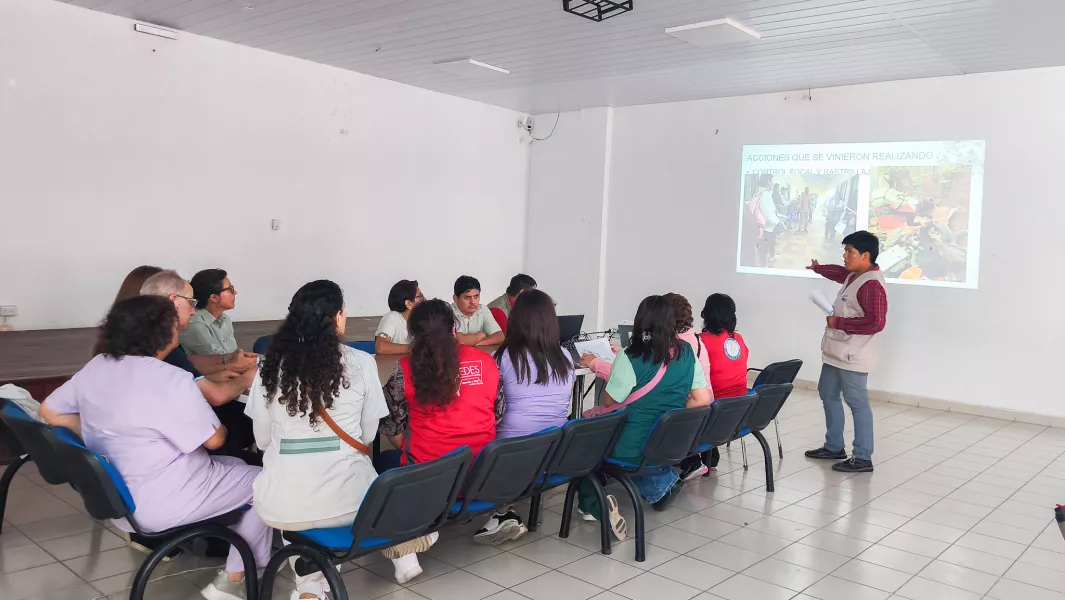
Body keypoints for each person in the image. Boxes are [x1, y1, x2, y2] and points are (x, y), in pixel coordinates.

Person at [39, 297, 271, 600]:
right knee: (269, 483)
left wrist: (108, 434)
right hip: (163, 500)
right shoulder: (169, 378)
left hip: (119, 500)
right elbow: (214, 440)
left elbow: (50, 410)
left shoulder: (97, 366)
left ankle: (240, 547)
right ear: (165, 333)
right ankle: (234, 580)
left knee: (239, 467)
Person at [246, 281, 434, 596]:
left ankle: (312, 584)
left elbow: (262, 441)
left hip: (282, 504)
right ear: (337, 318)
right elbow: (368, 436)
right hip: (352, 500)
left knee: (299, 516)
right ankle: (402, 550)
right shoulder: (361, 363)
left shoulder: (268, 368)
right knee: (362, 485)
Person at [576, 296, 712, 537]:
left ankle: (594, 505)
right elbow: (702, 399)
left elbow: (610, 400)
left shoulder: (631, 356)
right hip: (666, 443)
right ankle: (662, 482)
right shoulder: (687, 353)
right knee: (640, 459)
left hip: (630, 446)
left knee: (582, 443)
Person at [473, 289, 574, 545]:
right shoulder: (564, 357)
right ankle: (504, 512)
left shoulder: (504, 357)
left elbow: (491, 409)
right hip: (555, 452)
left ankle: (503, 511)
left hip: (512, 454)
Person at [140, 271, 258, 463]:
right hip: (189, 457)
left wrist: (222, 368)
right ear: (173, 301)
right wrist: (247, 377)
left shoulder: (147, 347)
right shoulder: (163, 348)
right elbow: (214, 428)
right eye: (191, 302)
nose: (194, 311)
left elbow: (189, 370)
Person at [379, 299, 504, 468]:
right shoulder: (487, 361)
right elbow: (498, 415)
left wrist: (416, 450)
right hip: (480, 470)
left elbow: (392, 427)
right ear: (454, 328)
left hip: (427, 473)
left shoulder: (405, 368)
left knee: (382, 461)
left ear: (413, 334)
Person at [805, 231, 888, 473]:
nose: (845, 256)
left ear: (865, 255)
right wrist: (819, 269)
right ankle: (834, 447)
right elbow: (839, 273)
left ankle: (862, 457)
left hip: (854, 355)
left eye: (849, 252)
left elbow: (876, 322)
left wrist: (839, 323)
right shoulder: (855, 275)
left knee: (857, 402)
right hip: (837, 351)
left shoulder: (871, 284)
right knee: (827, 392)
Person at [678, 294, 751, 479]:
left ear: (706, 314)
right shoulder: (739, 339)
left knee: (680, 400)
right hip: (739, 409)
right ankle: (709, 455)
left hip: (714, 410)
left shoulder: (700, 341)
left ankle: (689, 460)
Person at [182, 269, 239, 356]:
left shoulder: (225, 319)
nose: (235, 292)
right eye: (229, 289)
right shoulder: (195, 325)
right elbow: (221, 360)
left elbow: (234, 354)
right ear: (214, 298)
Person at [451, 276, 504, 347]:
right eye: (467, 297)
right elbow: (459, 341)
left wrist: (476, 343)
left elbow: (500, 336)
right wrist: (480, 335)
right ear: (455, 299)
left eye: (476, 296)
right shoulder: (448, 312)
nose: (473, 302)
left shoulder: (482, 309)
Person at [375, 279, 424, 355]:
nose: (424, 300)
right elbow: (381, 347)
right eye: (420, 296)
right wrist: (414, 348)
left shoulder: (420, 320)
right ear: (408, 304)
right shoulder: (392, 318)